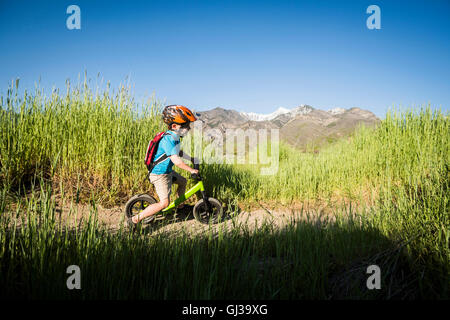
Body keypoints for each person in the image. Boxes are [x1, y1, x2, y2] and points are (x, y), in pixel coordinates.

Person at [127, 105, 199, 229]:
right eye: (186, 126)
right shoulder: (168, 139)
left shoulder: (175, 137)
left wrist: (191, 158)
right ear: (174, 126)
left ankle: (180, 207)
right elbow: (176, 161)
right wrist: (191, 169)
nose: (188, 128)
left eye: (188, 126)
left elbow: (178, 152)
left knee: (183, 181)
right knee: (164, 203)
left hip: (167, 171)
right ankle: (134, 220)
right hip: (159, 174)